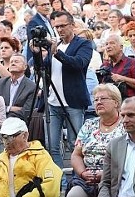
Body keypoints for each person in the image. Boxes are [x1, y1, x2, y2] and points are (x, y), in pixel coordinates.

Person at [62, 84, 125, 197]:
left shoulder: (125, 125)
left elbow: (127, 158)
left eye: (103, 99)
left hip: (113, 180)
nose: (98, 102)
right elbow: (76, 155)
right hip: (86, 178)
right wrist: (82, 173)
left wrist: (103, 175)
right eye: (95, 99)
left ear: (116, 102)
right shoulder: (89, 124)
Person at [34, 10, 92, 168]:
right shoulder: (56, 44)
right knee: (51, 145)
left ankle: (77, 178)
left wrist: (56, 53)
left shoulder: (83, 44)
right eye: (56, 27)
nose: (59, 30)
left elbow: (78, 64)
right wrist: (37, 54)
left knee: (76, 144)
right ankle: (59, 182)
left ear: (72, 25)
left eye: (63, 26)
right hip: (53, 101)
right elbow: (43, 70)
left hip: (73, 101)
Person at [0, 54, 37, 120]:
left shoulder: (32, 87)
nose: (13, 63)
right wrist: (10, 108)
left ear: (25, 67)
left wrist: (5, 110)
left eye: (16, 62)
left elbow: (27, 112)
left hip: (19, 121)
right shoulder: (0, 83)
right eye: (11, 62)